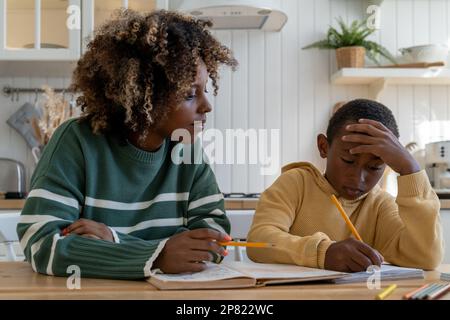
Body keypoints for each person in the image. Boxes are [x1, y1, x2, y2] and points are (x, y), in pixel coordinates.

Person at [17, 9, 238, 279]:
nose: (207, 106)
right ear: (146, 96)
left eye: (205, 91)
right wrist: (160, 255)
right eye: (191, 94)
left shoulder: (189, 152)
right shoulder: (76, 143)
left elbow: (215, 241)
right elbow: (42, 245)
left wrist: (117, 241)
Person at [247, 99, 443, 272]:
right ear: (324, 147)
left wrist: (410, 170)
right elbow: (259, 241)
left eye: (374, 167)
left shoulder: (380, 204)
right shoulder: (296, 183)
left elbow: (425, 257)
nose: (358, 178)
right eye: (348, 161)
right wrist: (323, 253)